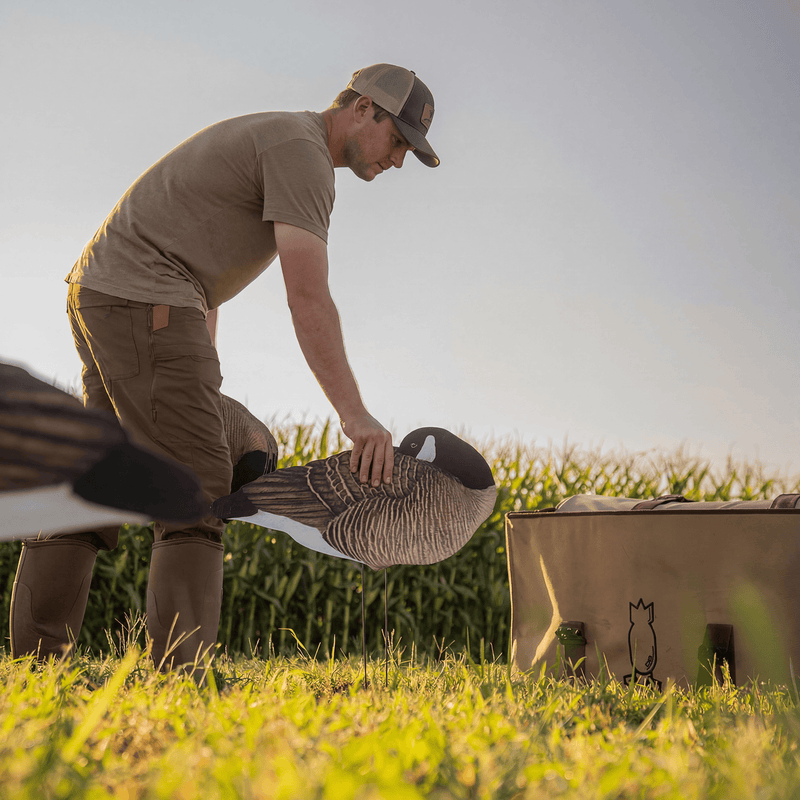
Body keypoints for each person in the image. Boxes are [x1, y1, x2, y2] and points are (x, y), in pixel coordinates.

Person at [10, 63, 439, 674]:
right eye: (398, 140)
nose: (398, 160)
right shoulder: (304, 153)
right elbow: (308, 296)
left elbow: (203, 281)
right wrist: (356, 417)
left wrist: (200, 380)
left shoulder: (284, 137)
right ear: (364, 107)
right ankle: (181, 677)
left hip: (110, 292)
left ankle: (34, 667)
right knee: (200, 484)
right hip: (143, 297)